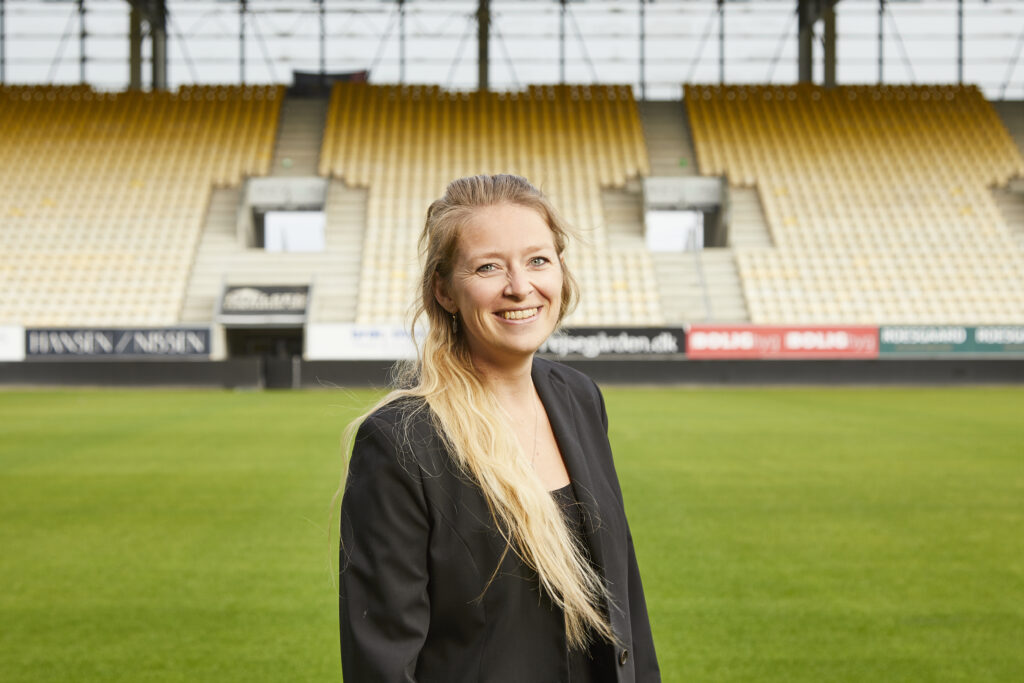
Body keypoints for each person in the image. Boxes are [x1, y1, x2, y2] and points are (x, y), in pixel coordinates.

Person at [338, 174, 660, 682]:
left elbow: (626, 603)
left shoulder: (579, 398)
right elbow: (381, 662)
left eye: (538, 260)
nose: (519, 286)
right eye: (488, 267)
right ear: (443, 290)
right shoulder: (401, 440)